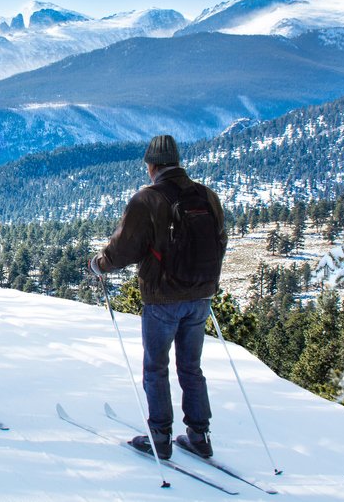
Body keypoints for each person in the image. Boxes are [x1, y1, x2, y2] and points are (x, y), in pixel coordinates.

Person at [88, 134, 227, 460]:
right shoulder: (207, 195)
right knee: (191, 367)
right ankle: (199, 435)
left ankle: (160, 437)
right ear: (177, 162)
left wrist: (99, 264)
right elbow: (220, 240)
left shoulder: (146, 200)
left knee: (156, 367)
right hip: (201, 295)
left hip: (163, 297)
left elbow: (123, 249)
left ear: (150, 166)